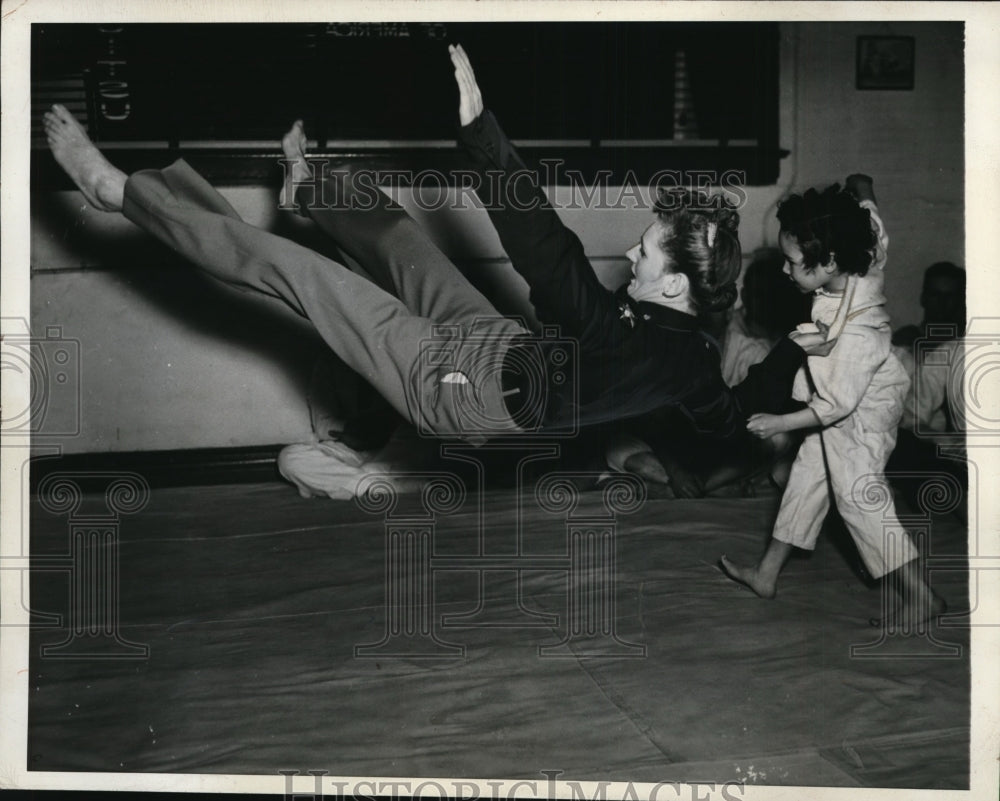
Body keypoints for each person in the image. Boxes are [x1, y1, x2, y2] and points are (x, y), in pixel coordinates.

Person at [41, 45, 833, 477]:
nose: (631, 248)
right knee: (401, 238)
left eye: (646, 248)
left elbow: (543, 247)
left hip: (454, 392)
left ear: (675, 281)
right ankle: (309, 187)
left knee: (304, 276)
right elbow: (736, 417)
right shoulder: (691, 358)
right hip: (500, 346)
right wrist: (801, 341)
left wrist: (483, 129)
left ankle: (120, 192)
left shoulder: (625, 333)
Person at [719, 176, 946, 626]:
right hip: (843, 401)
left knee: (860, 501)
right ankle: (767, 573)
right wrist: (863, 192)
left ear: (830, 262)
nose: (785, 271)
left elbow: (836, 405)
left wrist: (779, 424)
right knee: (805, 479)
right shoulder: (862, 257)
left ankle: (923, 597)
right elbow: (874, 229)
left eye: (793, 263)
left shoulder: (855, 334)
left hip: (860, 416)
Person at [604, 249, 812, 498]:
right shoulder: (674, 348)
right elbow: (656, 423)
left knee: (780, 440)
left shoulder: (753, 351)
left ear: (729, 308)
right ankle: (692, 484)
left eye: (717, 304)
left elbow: (759, 419)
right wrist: (675, 468)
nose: (708, 311)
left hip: (729, 449)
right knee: (616, 448)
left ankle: (700, 486)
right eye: (701, 303)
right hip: (678, 448)